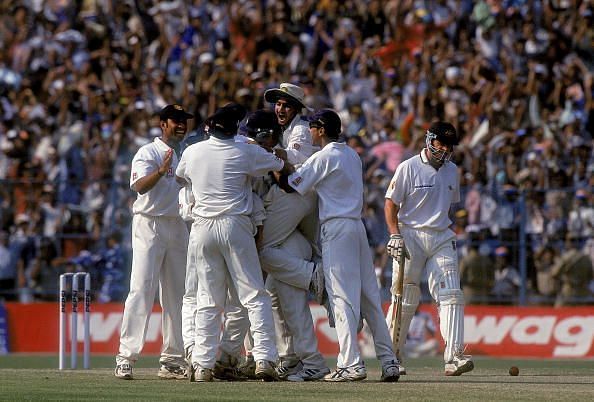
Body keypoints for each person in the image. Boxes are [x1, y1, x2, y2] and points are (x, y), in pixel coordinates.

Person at [277, 109, 400, 382]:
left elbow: (291, 185)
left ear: (321, 130)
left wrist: (277, 161)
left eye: (312, 127)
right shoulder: (351, 154)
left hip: (337, 227)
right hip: (357, 228)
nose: (309, 131)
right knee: (370, 298)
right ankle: (389, 361)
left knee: (341, 297)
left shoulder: (325, 156)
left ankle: (351, 363)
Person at [176, 104, 294, 382]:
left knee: (207, 299)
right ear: (234, 129)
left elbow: (181, 176)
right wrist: (264, 150)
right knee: (254, 294)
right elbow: (282, 166)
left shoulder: (193, 151)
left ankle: (203, 364)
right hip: (235, 224)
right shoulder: (246, 150)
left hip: (202, 227)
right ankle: (264, 358)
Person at [384, 121, 473, 376]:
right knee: (405, 297)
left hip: (441, 236)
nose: (444, 150)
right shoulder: (408, 167)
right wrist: (395, 235)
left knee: (451, 294)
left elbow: (448, 205)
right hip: (410, 235)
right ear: (429, 139)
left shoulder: (452, 170)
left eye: (449, 146)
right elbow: (390, 204)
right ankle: (393, 356)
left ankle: (454, 356)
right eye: (441, 143)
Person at [114, 104, 193, 380]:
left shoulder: (186, 153)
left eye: (185, 121)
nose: (181, 125)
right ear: (163, 123)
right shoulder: (148, 152)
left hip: (177, 225)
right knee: (141, 290)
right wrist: (161, 171)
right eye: (176, 121)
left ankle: (172, 358)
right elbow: (138, 186)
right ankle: (126, 357)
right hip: (149, 224)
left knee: (178, 295)